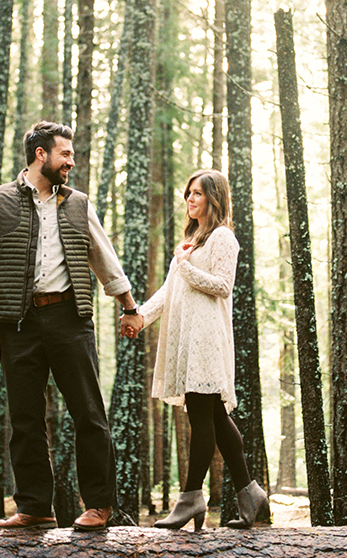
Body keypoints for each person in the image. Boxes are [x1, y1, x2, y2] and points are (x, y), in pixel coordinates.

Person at [0, 120, 139, 531]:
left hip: (69, 318)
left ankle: (98, 504)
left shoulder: (78, 203)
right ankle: (35, 508)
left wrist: (129, 305)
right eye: (65, 154)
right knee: (24, 418)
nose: (71, 162)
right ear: (40, 155)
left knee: (89, 413)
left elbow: (103, 257)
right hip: (17, 323)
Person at [121, 169, 269, 530]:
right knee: (215, 418)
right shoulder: (191, 241)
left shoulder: (222, 238)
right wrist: (139, 316)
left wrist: (185, 266)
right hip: (188, 340)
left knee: (203, 417)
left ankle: (190, 499)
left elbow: (222, 286)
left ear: (213, 199)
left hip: (207, 340)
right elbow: (170, 290)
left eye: (198, 193)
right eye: (188, 192)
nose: (189, 198)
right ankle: (250, 495)